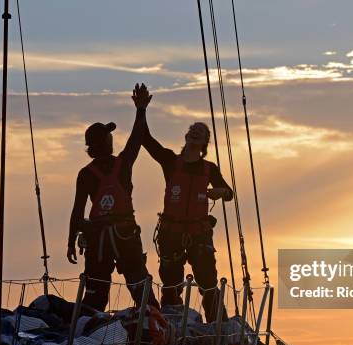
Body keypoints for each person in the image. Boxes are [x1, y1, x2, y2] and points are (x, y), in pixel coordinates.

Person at [139, 94, 233, 323]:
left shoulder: (210, 169)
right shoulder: (171, 162)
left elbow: (229, 194)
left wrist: (220, 192)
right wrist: (141, 110)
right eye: (193, 130)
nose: (195, 133)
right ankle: (170, 327)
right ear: (186, 136)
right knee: (171, 286)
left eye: (200, 133)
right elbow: (146, 140)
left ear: (204, 143)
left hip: (199, 234)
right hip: (171, 233)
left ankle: (218, 328)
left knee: (208, 284)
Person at [67, 83, 159, 312]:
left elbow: (78, 211)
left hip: (97, 239)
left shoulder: (85, 174)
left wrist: (70, 241)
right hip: (125, 234)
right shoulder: (124, 163)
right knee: (140, 287)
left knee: (95, 294)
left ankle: (87, 333)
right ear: (106, 142)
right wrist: (141, 109)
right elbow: (137, 138)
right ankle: (157, 327)